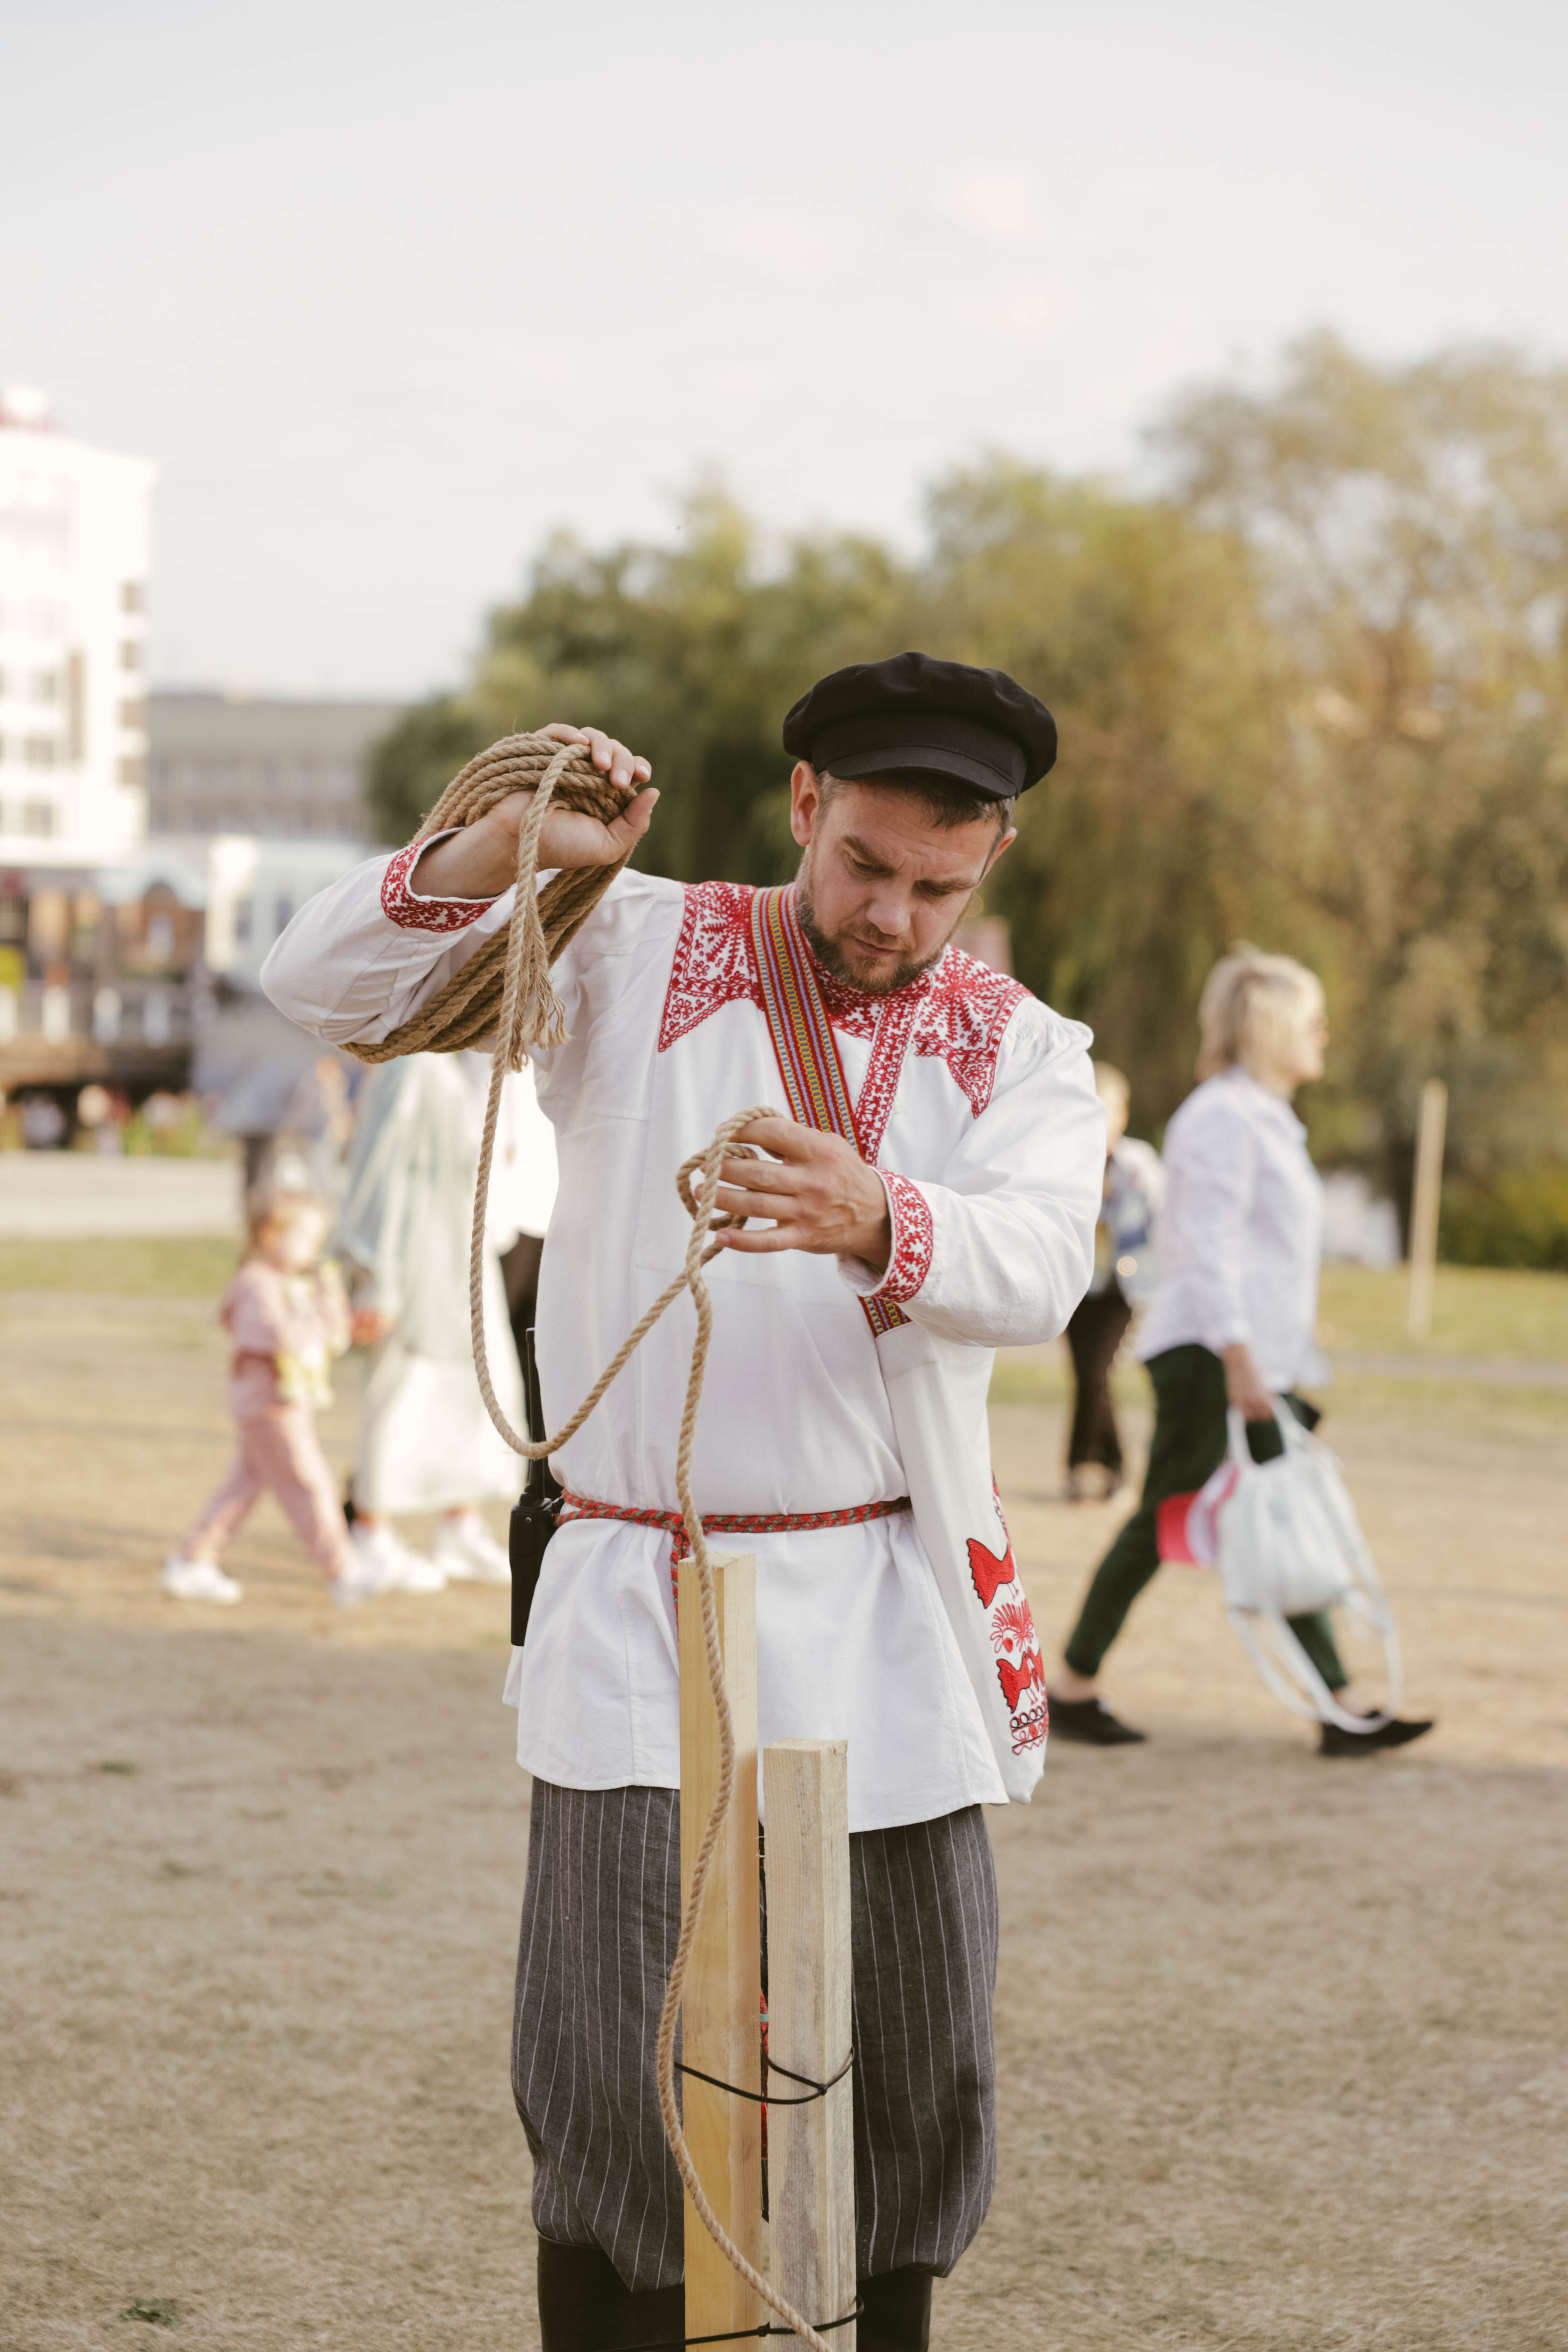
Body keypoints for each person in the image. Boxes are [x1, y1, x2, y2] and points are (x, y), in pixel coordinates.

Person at [262, 652, 1105, 2352]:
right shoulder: (628, 938)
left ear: (995, 856)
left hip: (880, 1602)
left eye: (940, 884)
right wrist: (501, 854)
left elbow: (1045, 1264)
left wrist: (883, 1212)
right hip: (643, 1597)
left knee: (919, 2052)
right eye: (866, 862)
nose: (893, 914)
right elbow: (319, 986)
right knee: (614, 2053)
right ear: (804, 806)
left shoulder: (1023, 1046)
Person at [1047, 944, 1434, 1758]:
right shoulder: (1222, 1117)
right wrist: (1244, 1362)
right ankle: (1074, 1683)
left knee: (1274, 1510)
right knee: (1168, 1514)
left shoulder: (1261, 1116)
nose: (1324, 1034)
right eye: (1312, 1020)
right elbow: (1207, 1248)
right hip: (1213, 1357)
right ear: (1270, 1026)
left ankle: (1339, 1705)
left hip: (1246, 1355)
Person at [333, 1049, 555, 1590]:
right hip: (413, 1263)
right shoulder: (411, 1068)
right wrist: (375, 1278)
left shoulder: (447, 1069)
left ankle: (460, 1524)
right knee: (399, 1396)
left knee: (485, 1395)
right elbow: (379, 1172)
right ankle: (372, 1529)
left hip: (461, 1262)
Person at [160, 1184, 378, 1607]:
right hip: (269, 1406)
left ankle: (194, 1558)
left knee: (241, 1488)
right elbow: (280, 1337)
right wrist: (321, 1315)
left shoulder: (289, 1284)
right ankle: (342, 1569)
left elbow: (330, 1335)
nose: (312, 1250)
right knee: (308, 1482)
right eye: (305, 1239)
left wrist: (331, 1306)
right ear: (268, 1235)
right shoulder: (256, 1285)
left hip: (284, 1403)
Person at [1062, 1061, 1164, 1500]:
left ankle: (1095, 1466)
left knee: (1098, 1372)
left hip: (1123, 1288)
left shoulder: (1138, 1162)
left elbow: (1163, 1219)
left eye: (1114, 1109)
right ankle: (1099, 1466)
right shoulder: (1065, 1159)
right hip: (1078, 1285)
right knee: (1086, 1376)